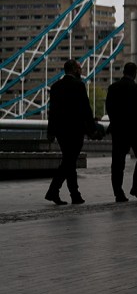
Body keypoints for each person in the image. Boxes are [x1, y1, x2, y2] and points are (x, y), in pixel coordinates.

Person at [46, 59, 94, 205]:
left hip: (61, 130)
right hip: (75, 130)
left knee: (69, 161)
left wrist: (51, 131)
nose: (81, 71)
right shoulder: (79, 85)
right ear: (73, 69)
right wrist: (92, 129)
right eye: (80, 68)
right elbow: (86, 109)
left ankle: (72, 194)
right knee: (69, 161)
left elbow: (52, 112)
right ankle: (56, 191)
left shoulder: (55, 86)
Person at [106, 62, 137, 203]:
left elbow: (109, 108)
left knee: (118, 163)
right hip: (134, 130)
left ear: (123, 71)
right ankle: (136, 187)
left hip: (118, 130)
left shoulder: (113, 87)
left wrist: (115, 123)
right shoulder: (136, 88)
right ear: (135, 73)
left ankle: (118, 193)